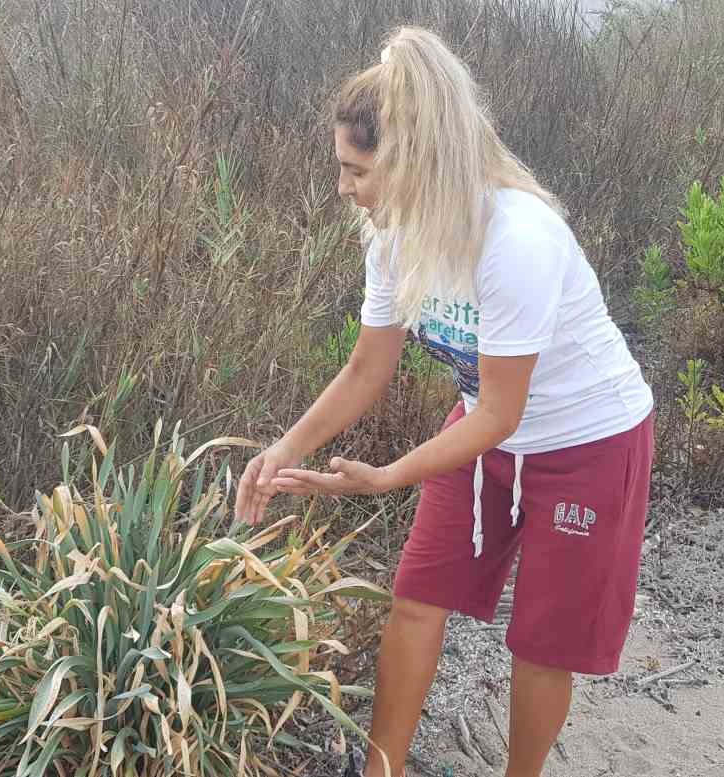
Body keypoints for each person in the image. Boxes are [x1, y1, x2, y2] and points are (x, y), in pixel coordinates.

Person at [232, 26, 657, 777]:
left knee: (541, 641)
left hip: (589, 441)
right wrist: (283, 451)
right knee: (417, 596)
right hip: (485, 427)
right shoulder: (390, 236)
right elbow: (368, 369)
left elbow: (503, 412)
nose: (346, 188)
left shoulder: (516, 238)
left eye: (357, 170)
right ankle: (381, 770)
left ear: (414, 161)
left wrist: (389, 475)